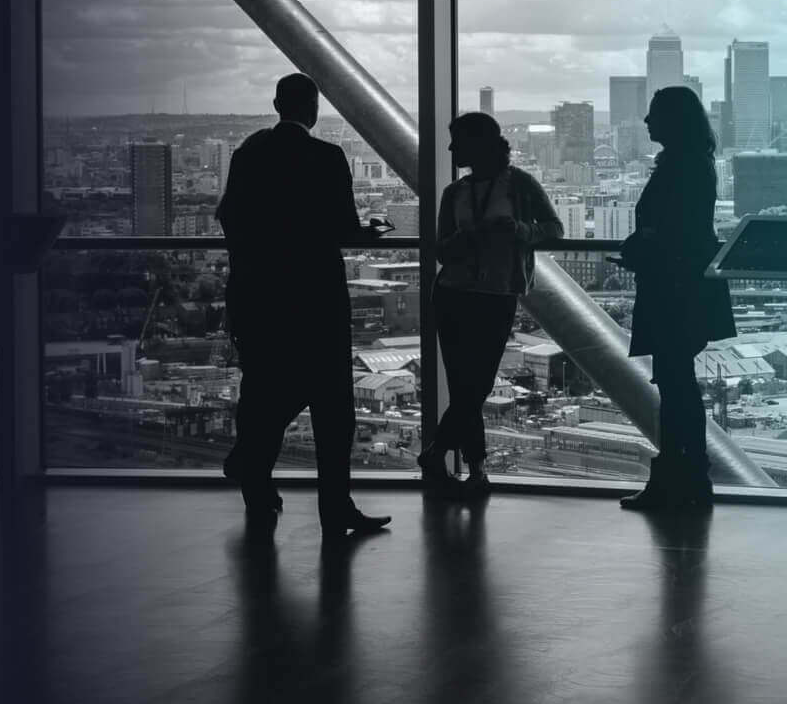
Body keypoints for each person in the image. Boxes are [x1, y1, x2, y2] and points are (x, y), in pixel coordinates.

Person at [218, 73, 392, 537]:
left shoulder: (248, 155)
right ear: (313, 110)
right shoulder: (326, 157)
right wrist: (371, 233)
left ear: (276, 104)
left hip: (259, 296)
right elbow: (343, 229)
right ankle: (335, 509)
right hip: (316, 298)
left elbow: (229, 218)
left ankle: (255, 481)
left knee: (263, 389)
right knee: (332, 408)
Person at [419, 112, 562, 497]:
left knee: (474, 386)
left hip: (493, 294)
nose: (451, 149)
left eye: (457, 141)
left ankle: (438, 453)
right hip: (454, 293)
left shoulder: (521, 186)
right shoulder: (455, 192)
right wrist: (469, 240)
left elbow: (553, 229)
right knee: (468, 386)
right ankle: (475, 470)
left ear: (479, 144)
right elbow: (441, 249)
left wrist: (517, 231)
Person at [617, 86, 736, 511]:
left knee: (676, 388)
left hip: (673, 289)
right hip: (686, 288)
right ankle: (688, 478)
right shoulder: (695, 164)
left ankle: (677, 479)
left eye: (653, 114)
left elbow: (675, 230)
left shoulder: (680, 167)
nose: (647, 122)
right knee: (678, 386)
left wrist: (644, 244)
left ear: (672, 121)